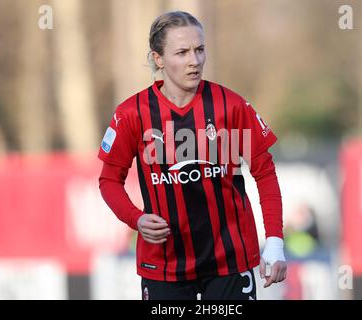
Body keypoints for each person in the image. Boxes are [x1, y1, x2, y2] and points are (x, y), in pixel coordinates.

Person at [98, 11, 286, 300]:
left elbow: (265, 173)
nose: (194, 61)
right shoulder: (132, 113)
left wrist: (274, 241)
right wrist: (136, 219)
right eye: (182, 52)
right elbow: (109, 180)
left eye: (199, 50)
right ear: (158, 58)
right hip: (164, 264)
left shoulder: (231, 106)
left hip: (229, 261)